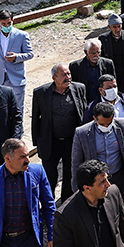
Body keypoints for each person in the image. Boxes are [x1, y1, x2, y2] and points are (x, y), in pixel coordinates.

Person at [71, 101, 124, 215]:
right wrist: (77, 188)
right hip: (97, 177)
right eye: (103, 124)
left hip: (118, 171)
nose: (106, 126)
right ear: (94, 119)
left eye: (109, 123)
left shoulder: (123, 124)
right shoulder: (82, 133)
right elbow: (76, 161)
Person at [32, 63, 89, 203]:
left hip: (72, 141)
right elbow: (35, 120)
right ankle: (47, 206)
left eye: (68, 74)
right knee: (49, 175)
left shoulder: (79, 88)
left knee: (70, 174)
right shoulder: (41, 93)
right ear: (54, 77)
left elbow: (84, 114)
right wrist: (37, 143)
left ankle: (66, 205)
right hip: (51, 142)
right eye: (63, 75)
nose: (67, 77)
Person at [0, 9, 33, 115]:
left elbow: (30, 54)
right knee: (0, 108)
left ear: (13, 21)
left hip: (16, 77)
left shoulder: (22, 35)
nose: (6, 26)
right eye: (3, 24)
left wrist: (17, 57)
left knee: (17, 108)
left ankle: (19, 131)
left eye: (9, 23)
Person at [70, 39, 116, 109]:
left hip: (103, 103)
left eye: (98, 52)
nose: (97, 55)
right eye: (93, 53)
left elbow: (113, 84)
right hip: (85, 104)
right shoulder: (75, 67)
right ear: (86, 52)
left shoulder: (108, 64)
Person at [100, 14, 124, 96]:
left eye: (119, 26)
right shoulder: (103, 39)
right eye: (114, 27)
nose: (117, 29)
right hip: (113, 75)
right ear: (109, 27)